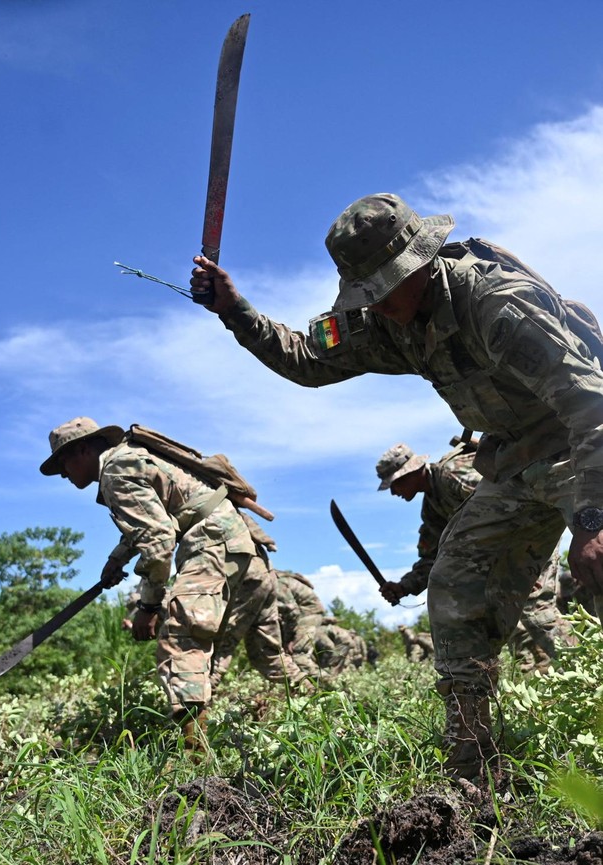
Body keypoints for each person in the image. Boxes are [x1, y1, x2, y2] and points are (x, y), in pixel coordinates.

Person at [190, 191, 603, 781]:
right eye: (366, 292)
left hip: (586, 445)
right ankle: (472, 768)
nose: (377, 304)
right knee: (457, 585)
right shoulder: (387, 321)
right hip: (517, 458)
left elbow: (592, 406)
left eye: (386, 286)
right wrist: (236, 310)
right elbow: (308, 359)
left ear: (422, 260)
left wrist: (593, 521)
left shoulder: (496, 303)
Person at [40, 417, 305, 746]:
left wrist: (148, 605)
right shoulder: (132, 457)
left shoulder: (115, 471)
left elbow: (157, 538)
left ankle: (194, 754)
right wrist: (116, 560)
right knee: (262, 653)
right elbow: (163, 519)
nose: (63, 474)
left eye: (62, 464)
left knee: (179, 637)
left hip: (213, 544)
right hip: (244, 550)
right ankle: (325, 707)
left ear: (81, 450)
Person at [376, 440, 568, 673]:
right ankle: (539, 675)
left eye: (395, 484)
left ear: (413, 472)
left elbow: (518, 497)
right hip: (506, 551)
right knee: (503, 613)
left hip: (531, 535)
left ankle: (586, 671)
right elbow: (433, 559)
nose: (394, 492)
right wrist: (403, 586)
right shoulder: (432, 508)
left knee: (537, 610)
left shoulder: (454, 474)